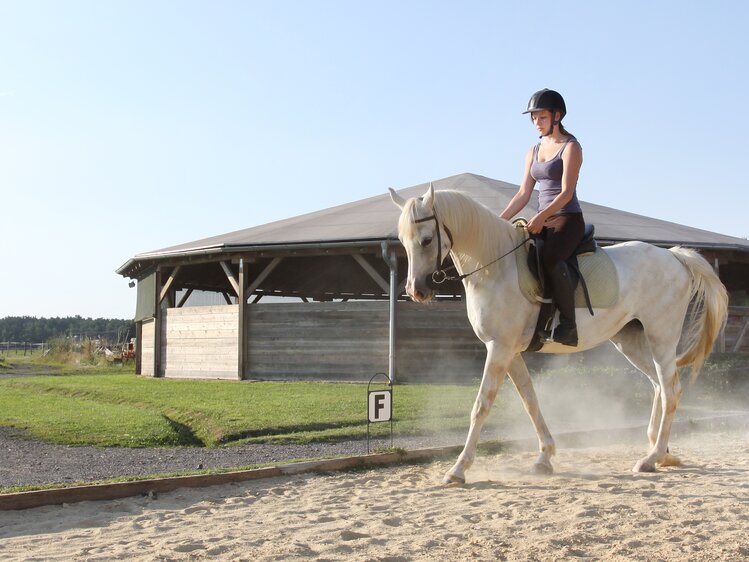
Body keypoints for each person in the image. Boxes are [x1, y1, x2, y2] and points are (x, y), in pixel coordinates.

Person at [500, 88, 584, 346]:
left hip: (567, 219)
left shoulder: (571, 147)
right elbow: (524, 193)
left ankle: (568, 326)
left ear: (557, 116)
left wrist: (540, 217)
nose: (537, 121)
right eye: (534, 117)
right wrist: (498, 222)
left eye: (542, 117)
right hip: (542, 218)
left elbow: (567, 192)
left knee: (549, 258)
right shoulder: (533, 151)